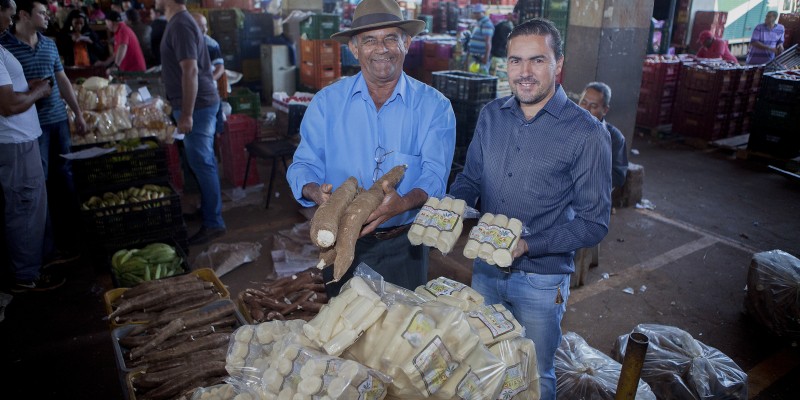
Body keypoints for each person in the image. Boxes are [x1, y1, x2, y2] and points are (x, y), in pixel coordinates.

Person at [448, 18, 611, 400]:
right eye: (515, 61)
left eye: (537, 60)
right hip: (486, 268)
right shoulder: (491, 116)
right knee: (486, 359)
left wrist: (527, 244)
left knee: (536, 372)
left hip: (540, 279)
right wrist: (453, 205)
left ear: (558, 65)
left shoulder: (586, 133)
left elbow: (594, 223)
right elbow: (470, 178)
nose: (524, 73)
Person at [286, 0, 456, 297]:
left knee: (403, 333)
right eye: (369, 40)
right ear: (353, 48)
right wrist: (315, 191)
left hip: (405, 244)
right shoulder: (326, 104)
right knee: (345, 331)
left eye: (391, 37)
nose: (382, 48)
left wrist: (403, 203)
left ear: (407, 42)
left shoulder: (434, 107)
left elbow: (435, 176)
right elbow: (303, 166)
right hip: (339, 242)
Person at [1, 0, 87, 265]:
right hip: (28, 131)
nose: (48, 17)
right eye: (42, 12)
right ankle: (46, 249)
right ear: (24, 16)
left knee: (65, 181)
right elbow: (9, 98)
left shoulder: (49, 44)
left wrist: (78, 112)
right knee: (39, 190)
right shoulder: (7, 48)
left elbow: (62, 80)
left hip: (57, 121)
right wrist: (36, 91)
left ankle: (72, 240)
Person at [0, 0, 63, 292]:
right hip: (14, 142)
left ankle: (31, 266)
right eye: (6, 12)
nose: (9, 17)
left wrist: (30, 86)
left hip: (19, 141)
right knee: (24, 207)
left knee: (29, 205)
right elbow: (9, 105)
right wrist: (38, 90)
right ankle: (26, 277)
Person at [158, 0, 225, 245]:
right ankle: (209, 211)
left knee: (203, 163)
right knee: (198, 162)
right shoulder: (180, 22)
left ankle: (214, 222)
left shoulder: (181, 24)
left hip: (198, 106)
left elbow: (191, 71)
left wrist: (186, 113)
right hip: (196, 104)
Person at [579, 82, 627, 189]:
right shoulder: (566, 127)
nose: (586, 110)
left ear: (605, 110)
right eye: (583, 102)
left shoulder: (615, 138)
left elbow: (618, 177)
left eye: (593, 106)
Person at [467, 3, 493, 73]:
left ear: (483, 13)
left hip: (481, 56)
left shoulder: (486, 24)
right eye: (475, 13)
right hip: (476, 56)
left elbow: (488, 42)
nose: (476, 15)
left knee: (481, 76)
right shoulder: (479, 23)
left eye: (478, 13)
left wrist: (486, 58)